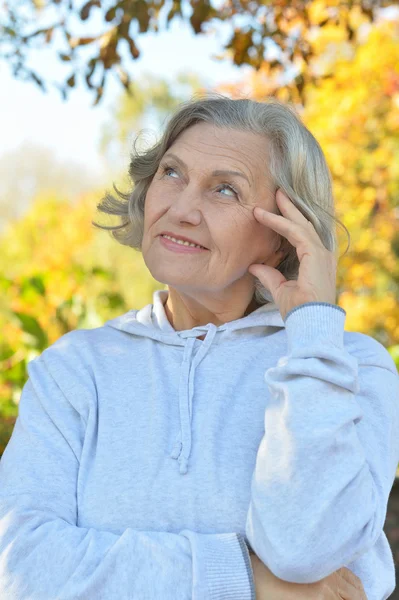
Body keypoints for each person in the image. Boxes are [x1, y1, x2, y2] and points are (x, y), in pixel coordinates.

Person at [0, 93, 397, 600]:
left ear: (284, 233)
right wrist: (244, 579)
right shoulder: (74, 370)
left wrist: (312, 330)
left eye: (225, 190)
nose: (182, 208)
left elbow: (306, 551)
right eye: (171, 173)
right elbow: (21, 567)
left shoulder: (345, 366)